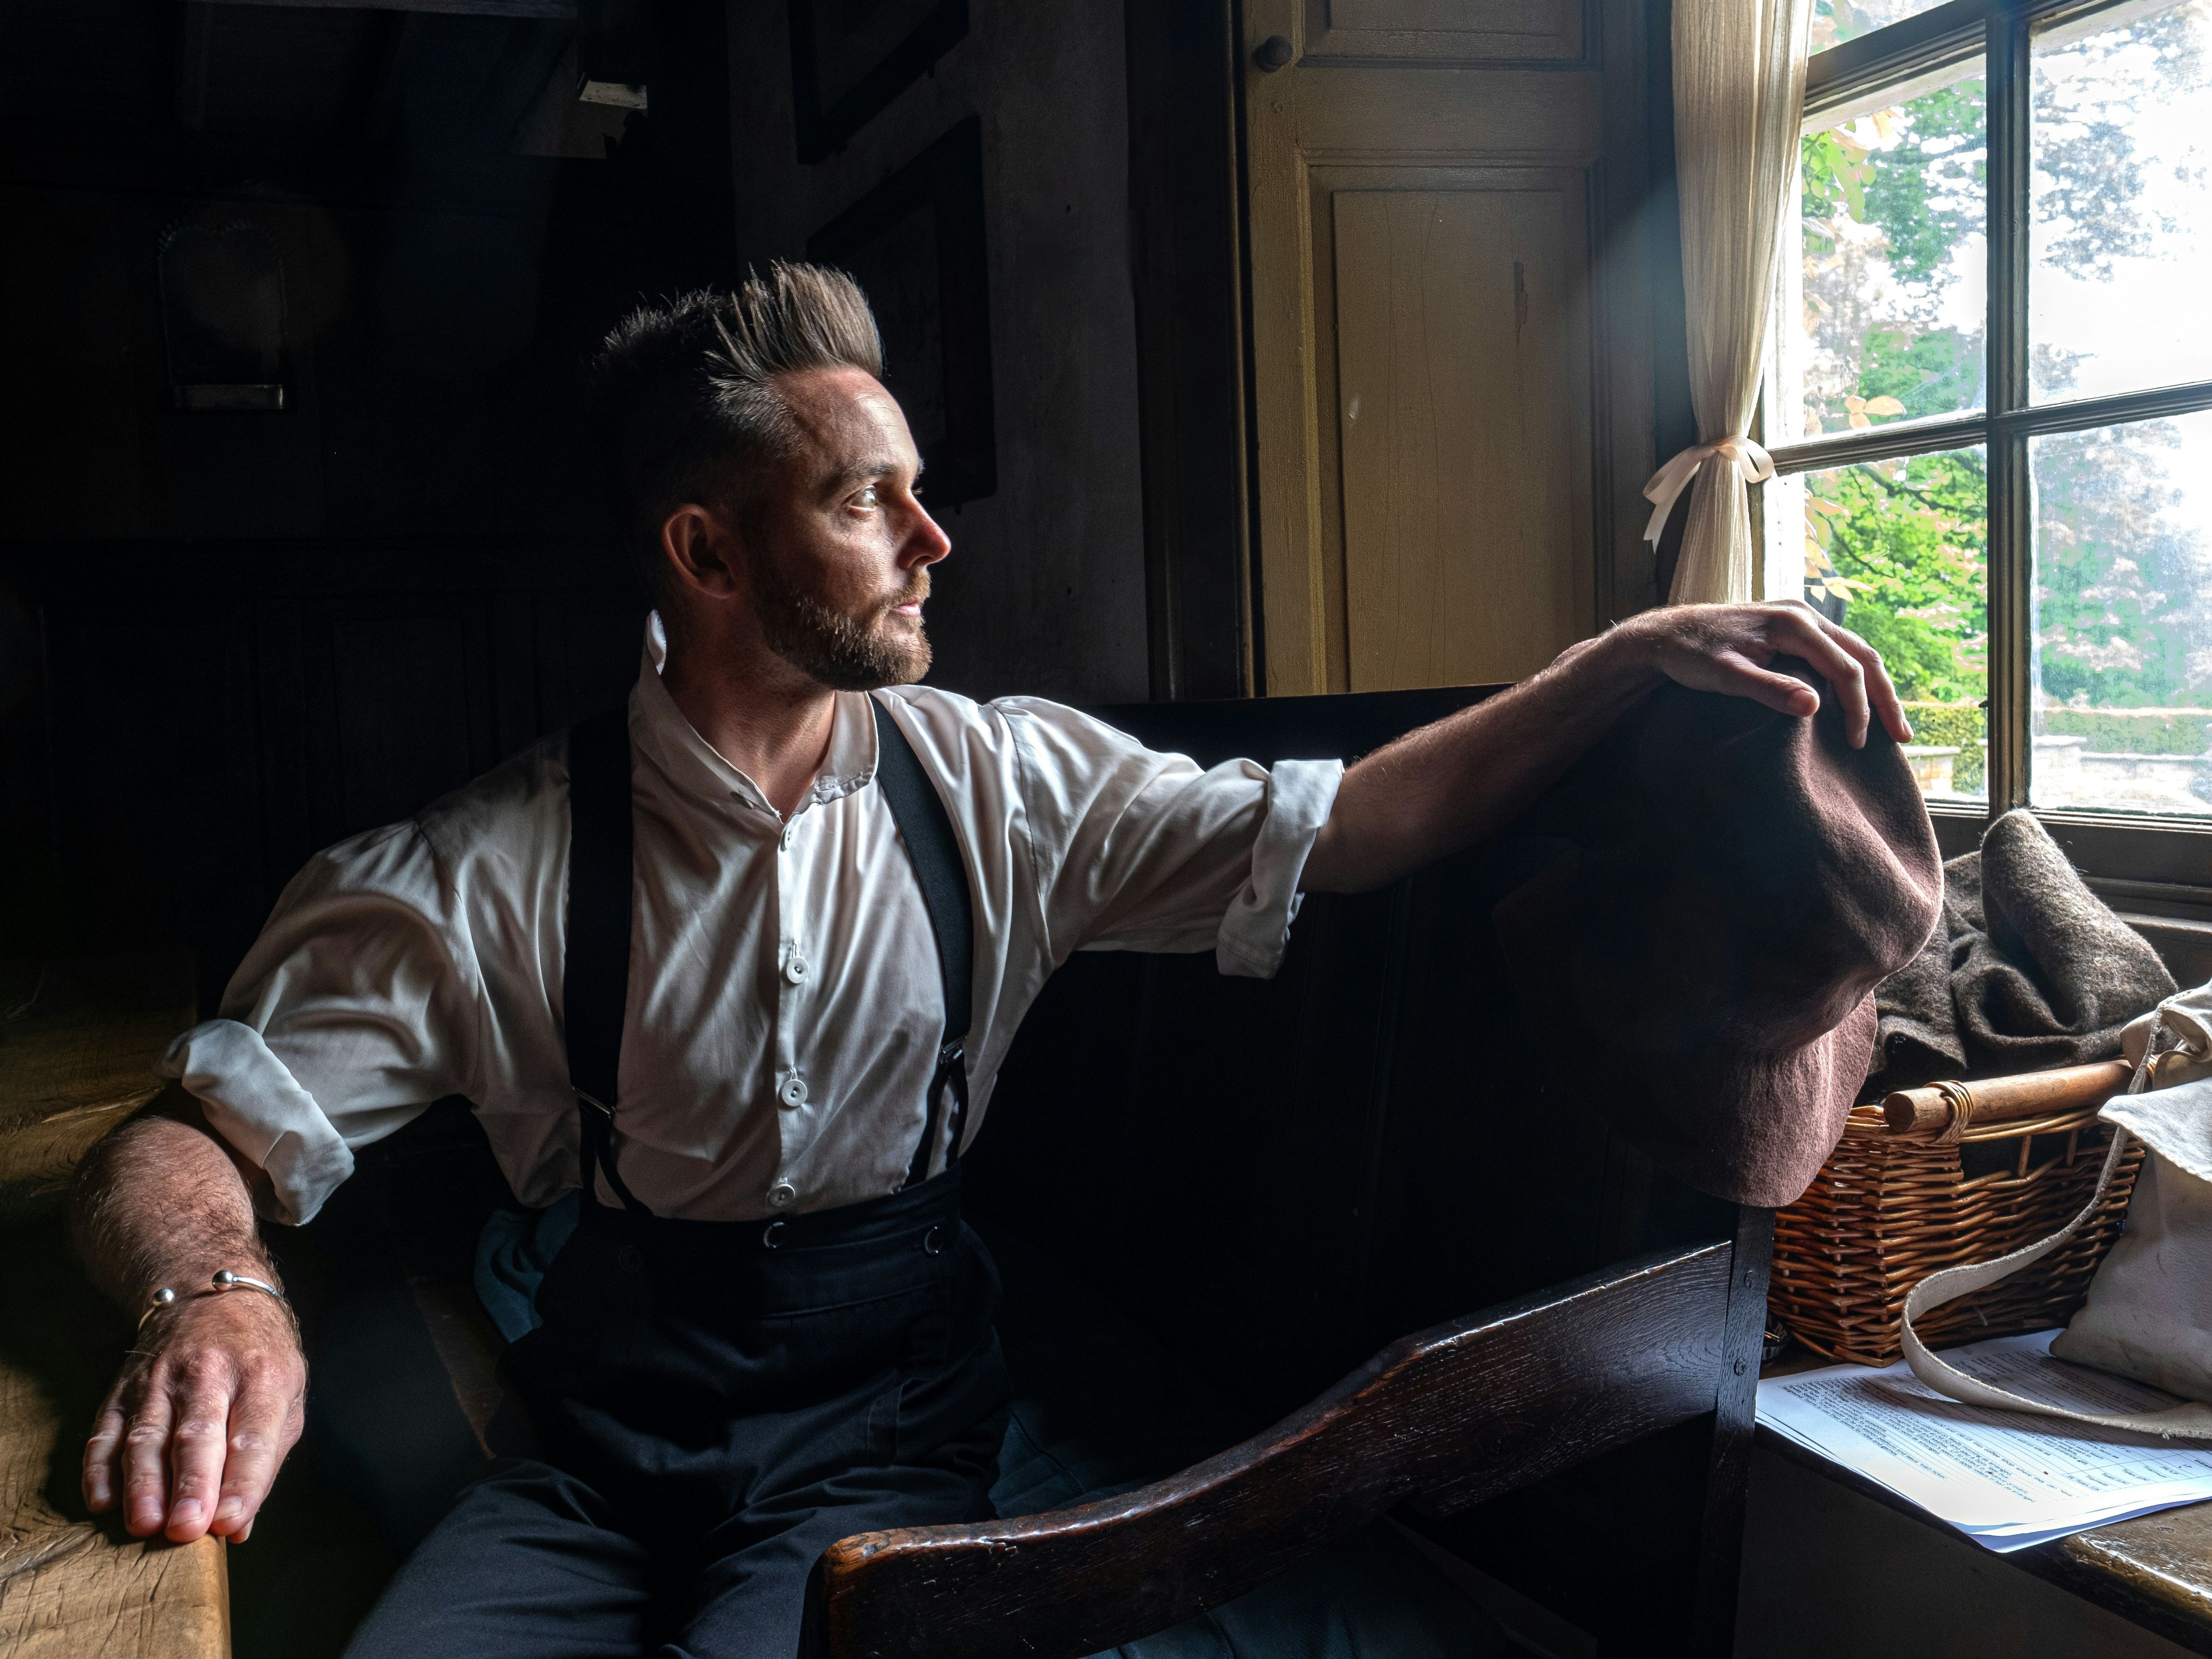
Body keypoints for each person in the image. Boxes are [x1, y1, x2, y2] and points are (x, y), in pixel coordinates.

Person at [69, 263, 1908, 1657]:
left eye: (917, 485)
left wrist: (1615, 661)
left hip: (884, 1435)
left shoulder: (1009, 786)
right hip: (597, 1448)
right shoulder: (482, 868)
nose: (935, 536)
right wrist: (212, 1288)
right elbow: (178, 1135)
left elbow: (1346, 827)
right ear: (706, 550)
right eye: (867, 498)